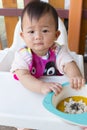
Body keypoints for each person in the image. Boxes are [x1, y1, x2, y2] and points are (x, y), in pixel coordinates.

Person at [10, 1, 85, 130]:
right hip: (31, 96)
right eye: (31, 32)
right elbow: (23, 76)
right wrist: (41, 86)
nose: (38, 36)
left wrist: (75, 76)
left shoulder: (58, 51)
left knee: (69, 122)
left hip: (55, 96)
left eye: (45, 30)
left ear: (56, 35)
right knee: (26, 124)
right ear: (22, 36)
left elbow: (69, 64)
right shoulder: (23, 55)